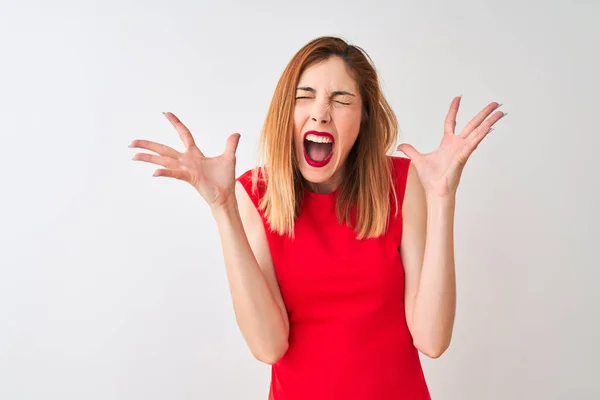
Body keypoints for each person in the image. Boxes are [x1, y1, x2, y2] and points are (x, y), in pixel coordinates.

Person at [130, 36, 505, 399]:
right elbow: (268, 347)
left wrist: (442, 198)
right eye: (304, 96)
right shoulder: (252, 194)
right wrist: (223, 208)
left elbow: (432, 339)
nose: (320, 113)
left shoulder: (404, 185)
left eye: (341, 100)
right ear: (286, 113)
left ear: (363, 119)